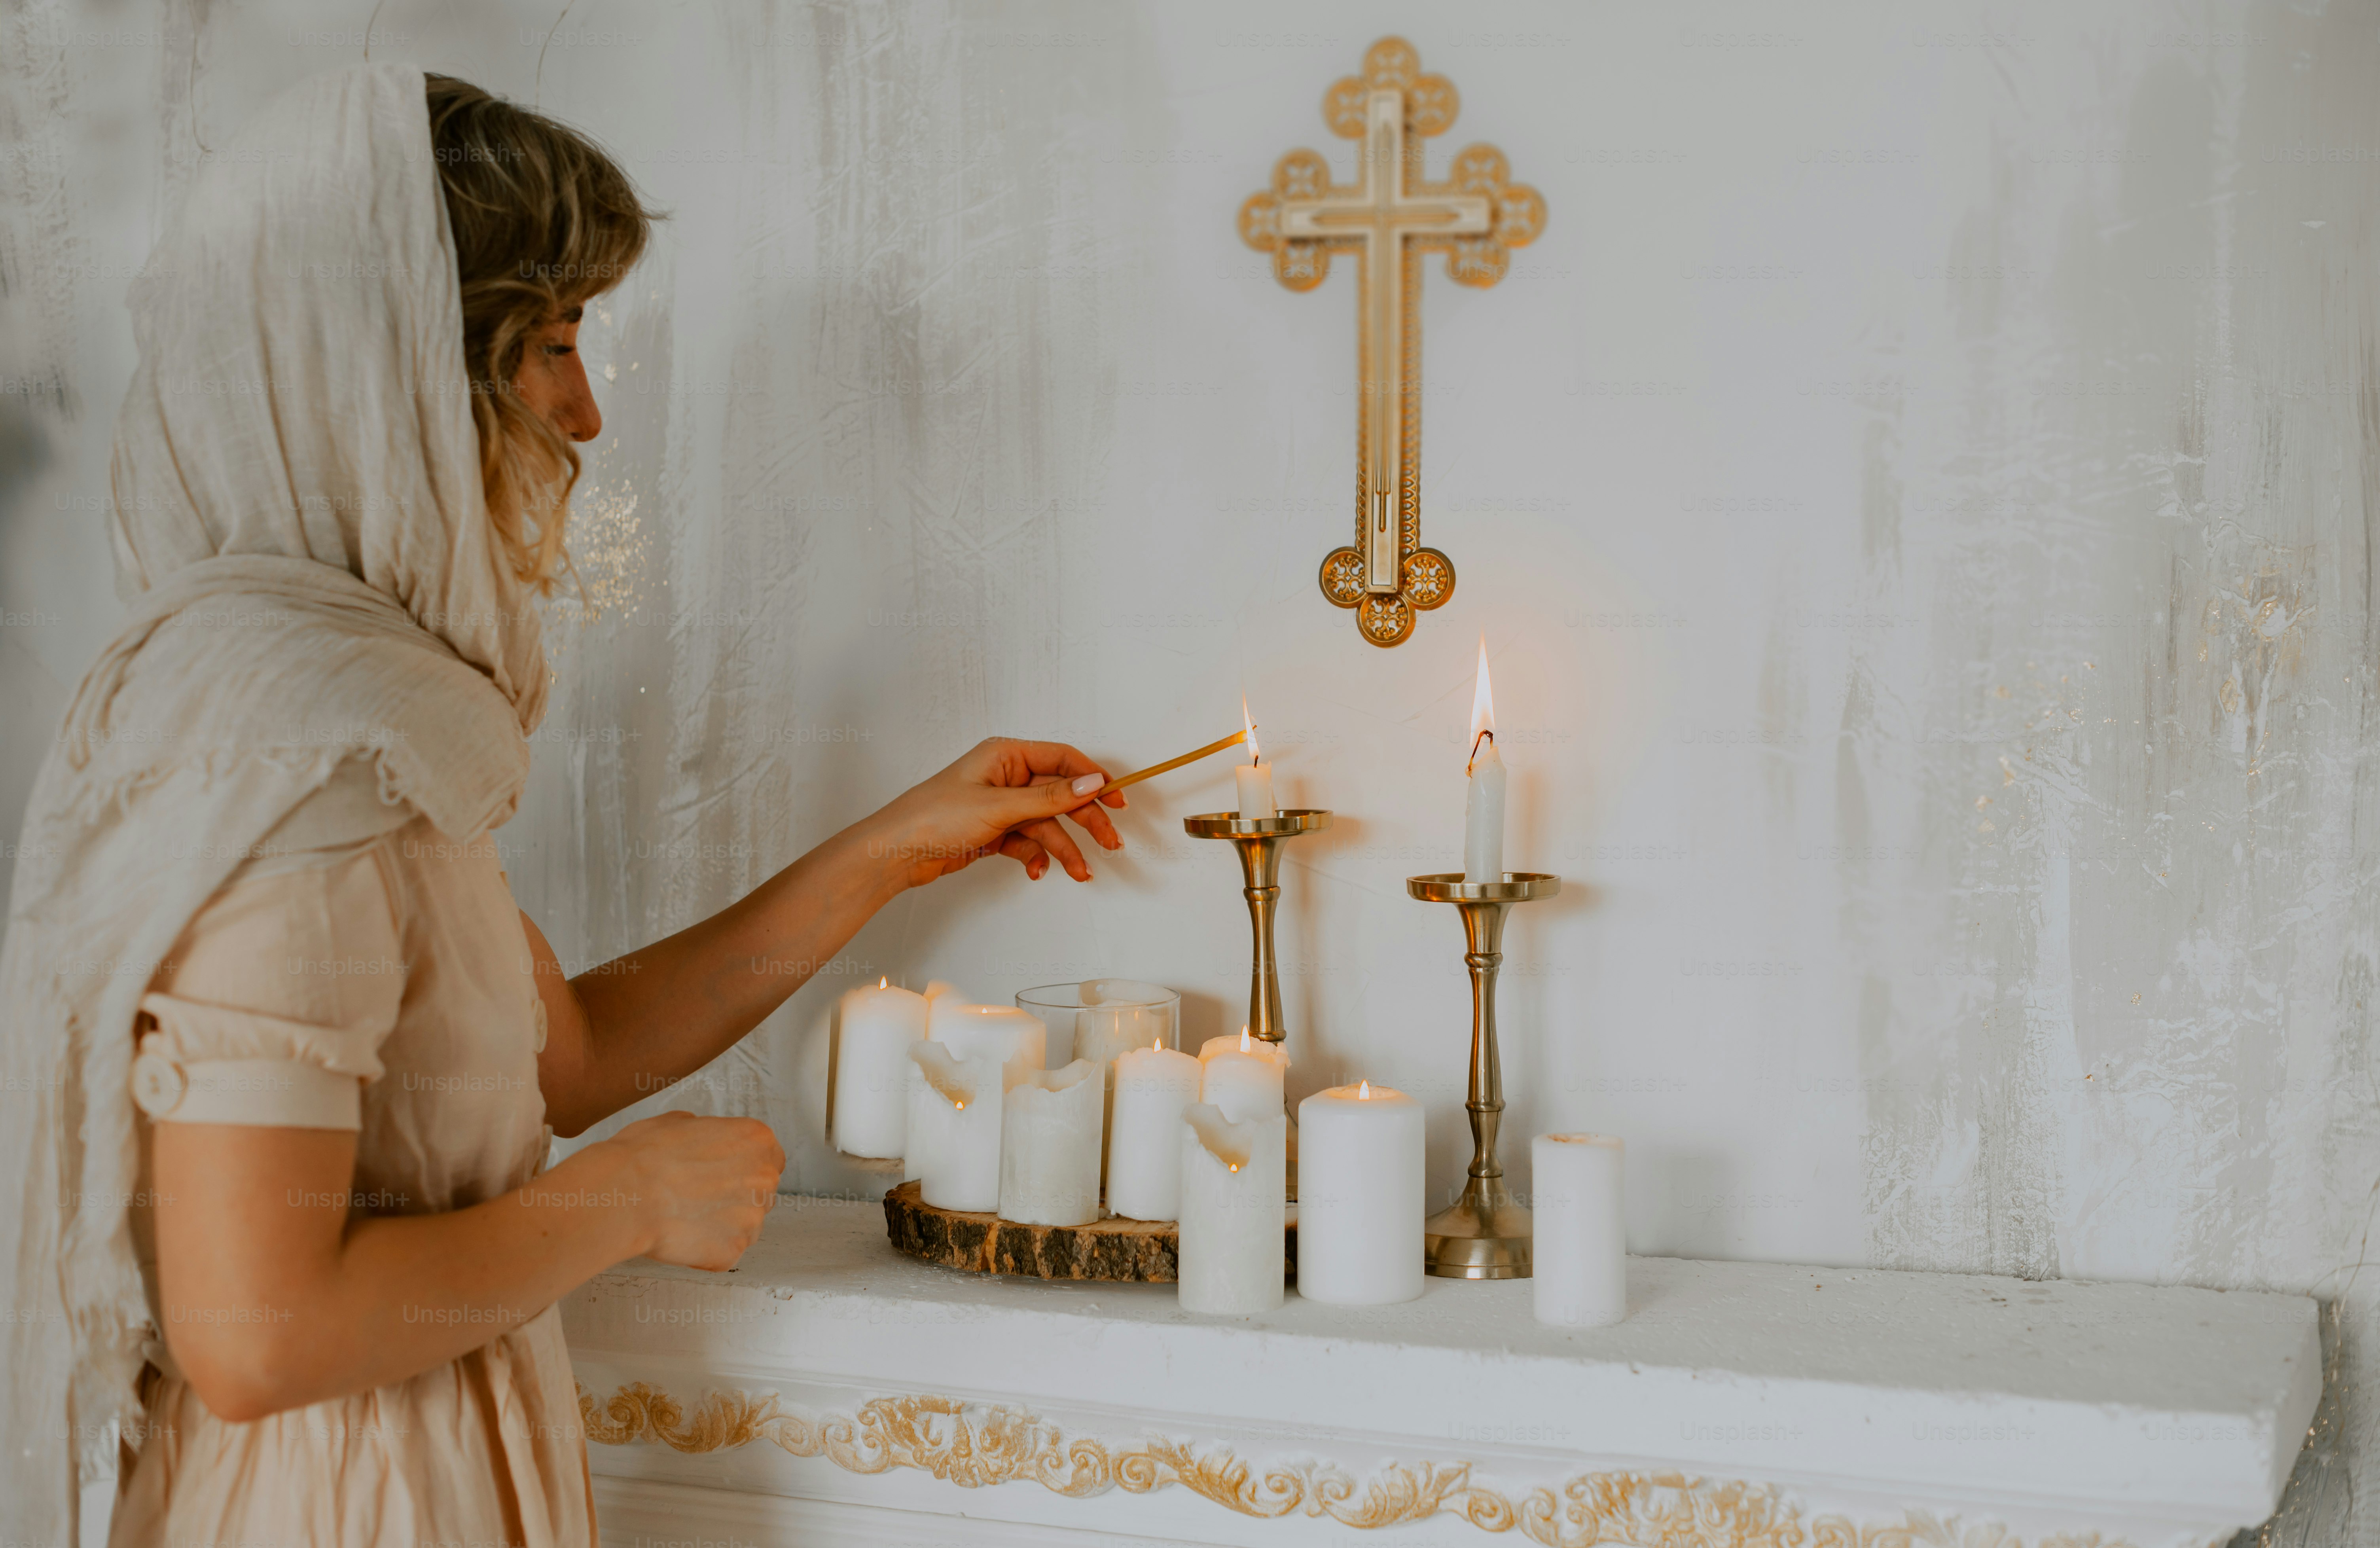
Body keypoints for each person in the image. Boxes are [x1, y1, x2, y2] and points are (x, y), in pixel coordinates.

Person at [0, 65, 1124, 1546]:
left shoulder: (372, 714)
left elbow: (565, 1057)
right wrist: (626, 1202)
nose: (586, 414)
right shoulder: (289, 755)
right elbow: (257, 1330)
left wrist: (893, 848)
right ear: (394, 373)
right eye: (550, 345)